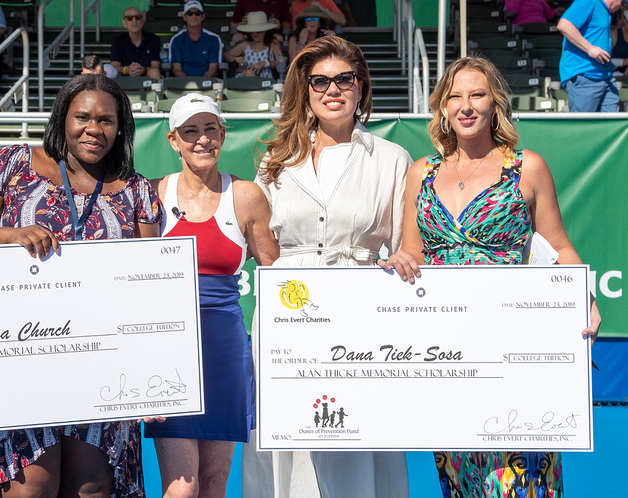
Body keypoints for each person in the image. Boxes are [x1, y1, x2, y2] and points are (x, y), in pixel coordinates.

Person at [381, 55, 601, 498]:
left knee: (519, 481)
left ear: (495, 103)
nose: (466, 106)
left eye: (477, 94)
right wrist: (395, 263)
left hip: (512, 346)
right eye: (455, 96)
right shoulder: (419, 174)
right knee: (462, 480)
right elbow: (412, 253)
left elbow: (559, 248)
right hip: (446, 352)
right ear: (442, 106)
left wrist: (586, 298)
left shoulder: (527, 167)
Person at [0, 74, 162, 498]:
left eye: (106, 120)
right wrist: (12, 235)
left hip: (104, 366)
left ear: (121, 127)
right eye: (82, 117)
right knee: (30, 488)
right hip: (22, 358)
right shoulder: (13, 164)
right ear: (63, 117)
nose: (93, 129)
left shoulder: (138, 190)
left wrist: (152, 373)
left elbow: (149, 284)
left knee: (93, 489)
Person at [243, 36, 412, 498]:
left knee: (353, 436)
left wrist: (397, 259)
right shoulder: (275, 162)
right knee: (283, 434)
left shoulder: (392, 159)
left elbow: (407, 247)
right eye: (320, 80)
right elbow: (261, 244)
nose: (332, 89)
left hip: (360, 312)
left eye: (344, 79)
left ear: (361, 88)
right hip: (287, 313)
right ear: (306, 88)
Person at [145, 93, 279, 498]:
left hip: (225, 353)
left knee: (214, 484)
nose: (201, 139)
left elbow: (278, 274)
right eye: (190, 131)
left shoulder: (247, 196)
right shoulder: (152, 195)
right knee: (181, 488)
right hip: (168, 355)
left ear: (222, 134)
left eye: (209, 129)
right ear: (173, 140)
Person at [557, 0, 622, 112]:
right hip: (584, 75)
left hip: (605, 75)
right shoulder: (589, 1)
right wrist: (589, 48)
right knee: (583, 126)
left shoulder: (605, 10)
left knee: (611, 123)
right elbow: (564, 25)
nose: (622, 7)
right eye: (623, 2)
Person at [169, 0, 222, 78]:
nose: (194, 16)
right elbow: (177, 69)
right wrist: (188, 83)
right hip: (183, 82)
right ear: (184, 17)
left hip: (208, 81)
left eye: (197, 13)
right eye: (190, 14)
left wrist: (202, 83)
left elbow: (213, 68)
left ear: (202, 17)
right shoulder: (177, 39)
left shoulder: (213, 38)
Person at [224, 11, 282, 78]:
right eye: (251, 31)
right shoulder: (245, 45)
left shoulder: (273, 43)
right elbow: (226, 56)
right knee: (250, 73)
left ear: (265, 30)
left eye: (258, 31)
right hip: (247, 80)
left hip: (266, 81)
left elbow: (280, 62)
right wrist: (236, 58)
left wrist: (265, 63)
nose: (254, 34)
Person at [110, 7, 162, 80]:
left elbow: (156, 66)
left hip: (146, 75)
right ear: (124, 23)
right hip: (125, 77)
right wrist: (127, 70)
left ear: (142, 20)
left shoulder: (153, 39)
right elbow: (114, 66)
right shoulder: (118, 41)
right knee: (110, 72)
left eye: (138, 17)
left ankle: (154, 92)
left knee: (155, 72)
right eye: (129, 18)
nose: (134, 20)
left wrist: (143, 70)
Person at [611, 3, 628, 75]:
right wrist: (624, 62)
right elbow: (600, 61)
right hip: (612, 79)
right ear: (624, 19)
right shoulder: (613, 35)